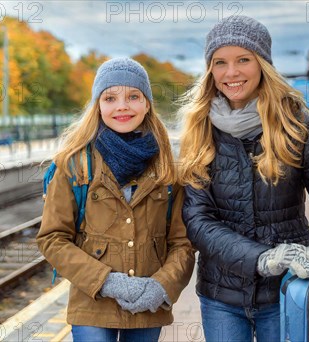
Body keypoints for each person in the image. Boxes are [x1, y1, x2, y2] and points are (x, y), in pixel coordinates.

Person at [177, 16, 309, 342]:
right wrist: (260, 258)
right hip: (222, 295)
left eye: (243, 60)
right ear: (210, 70)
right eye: (220, 62)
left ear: (263, 64)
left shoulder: (298, 125)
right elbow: (197, 219)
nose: (231, 73)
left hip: (289, 288)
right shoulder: (198, 130)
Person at [37, 58, 195, 342]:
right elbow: (53, 239)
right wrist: (107, 282)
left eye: (133, 96)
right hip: (92, 304)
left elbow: (182, 244)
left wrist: (162, 286)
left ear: (147, 104)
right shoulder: (74, 166)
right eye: (110, 98)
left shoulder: (169, 169)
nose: (122, 106)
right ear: (98, 105)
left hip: (148, 303)